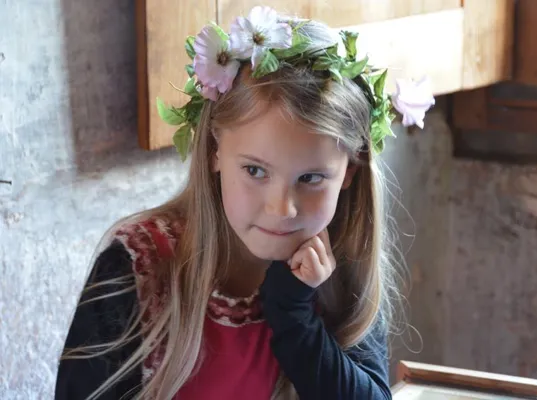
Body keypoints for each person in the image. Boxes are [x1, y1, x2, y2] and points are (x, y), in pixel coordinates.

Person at [54, 6, 435, 400]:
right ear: (215, 152)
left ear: (350, 173)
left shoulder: (338, 267)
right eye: (255, 171)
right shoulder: (138, 268)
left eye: (311, 178)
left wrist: (294, 317)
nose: (281, 208)